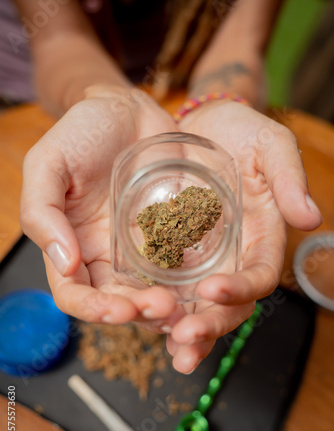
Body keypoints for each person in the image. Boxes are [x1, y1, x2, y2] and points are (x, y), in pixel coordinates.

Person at [12, 0, 322, 374]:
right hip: (36, 73)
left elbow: (242, 41)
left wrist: (220, 102)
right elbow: (56, 38)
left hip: (182, 55)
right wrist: (109, 100)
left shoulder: (204, 206)